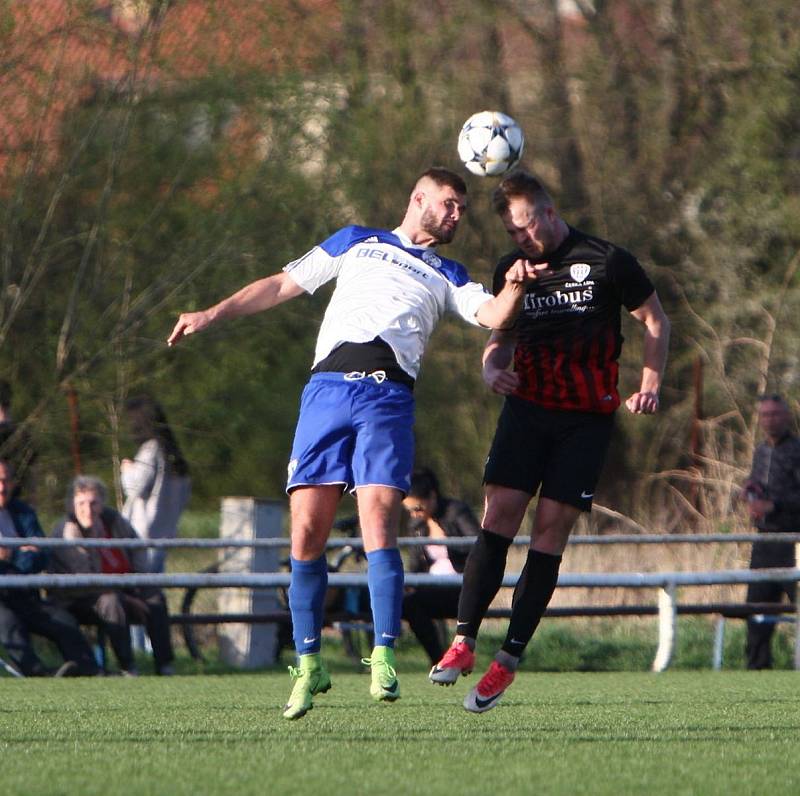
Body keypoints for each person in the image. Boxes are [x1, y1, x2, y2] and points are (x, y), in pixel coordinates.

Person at [167, 167, 538, 719]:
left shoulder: (449, 271)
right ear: (418, 199)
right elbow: (278, 284)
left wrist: (514, 289)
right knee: (307, 533)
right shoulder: (356, 240)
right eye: (449, 203)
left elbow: (492, 315)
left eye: (462, 207)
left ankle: (384, 654)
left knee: (379, 524)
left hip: (386, 400)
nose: (458, 214)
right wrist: (210, 313)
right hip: (326, 393)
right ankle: (310, 665)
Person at [431, 170, 671, 713]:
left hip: (584, 420)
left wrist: (649, 383)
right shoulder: (510, 270)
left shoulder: (609, 260)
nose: (519, 241)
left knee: (549, 534)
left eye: (523, 229)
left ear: (547, 212)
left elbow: (655, 319)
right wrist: (491, 369)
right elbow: (499, 338)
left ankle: (507, 661)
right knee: (498, 518)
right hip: (527, 413)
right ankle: (464, 642)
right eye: (511, 234)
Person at [49, 475, 176, 676]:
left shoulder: (114, 522)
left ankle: (165, 665)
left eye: (93, 503)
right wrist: (127, 598)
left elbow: (138, 553)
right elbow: (85, 578)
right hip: (79, 599)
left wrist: (138, 589)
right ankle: (128, 667)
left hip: (124, 589)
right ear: (72, 505)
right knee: (111, 601)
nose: (87, 509)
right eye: (81, 503)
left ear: (102, 503)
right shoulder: (67, 530)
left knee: (155, 599)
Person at [0, 458, 99, 677]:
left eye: (6, 480)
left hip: (26, 594)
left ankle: (90, 671)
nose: (2, 487)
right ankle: (38, 674)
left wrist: (11, 555)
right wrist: (23, 554)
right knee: (8, 624)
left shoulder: (22, 513)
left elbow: (43, 554)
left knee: (64, 622)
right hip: (2, 599)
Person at [739, 394, 800, 669]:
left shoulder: (796, 450)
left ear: (786, 416)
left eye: (775, 414)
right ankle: (757, 670)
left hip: (793, 541)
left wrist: (775, 505)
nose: (769, 420)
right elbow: (757, 484)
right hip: (763, 542)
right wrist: (750, 494)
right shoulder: (761, 451)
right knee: (757, 609)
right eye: (765, 415)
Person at [402, 467, 477, 665]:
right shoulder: (416, 527)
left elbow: (477, 546)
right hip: (433, 587)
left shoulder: (456, 512)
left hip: (462, 587)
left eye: (417, 508)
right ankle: (439, 660)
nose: (414, 515)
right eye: (409, 510)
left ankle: (457, 655)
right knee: (408, 602)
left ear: (432, 497)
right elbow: (415, 564)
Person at [121, 395, 191, 576]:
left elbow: (135, 488)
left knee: (140, 589)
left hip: (143, 537)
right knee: (153, 590)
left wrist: (127, 469)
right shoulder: (172, 456)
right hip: (163, 536)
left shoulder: (151, 451)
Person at [0, 379, 37, 503]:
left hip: (15, 500)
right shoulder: (21, 435)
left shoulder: (21, 436)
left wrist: (31, 499)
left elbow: (31, 472)